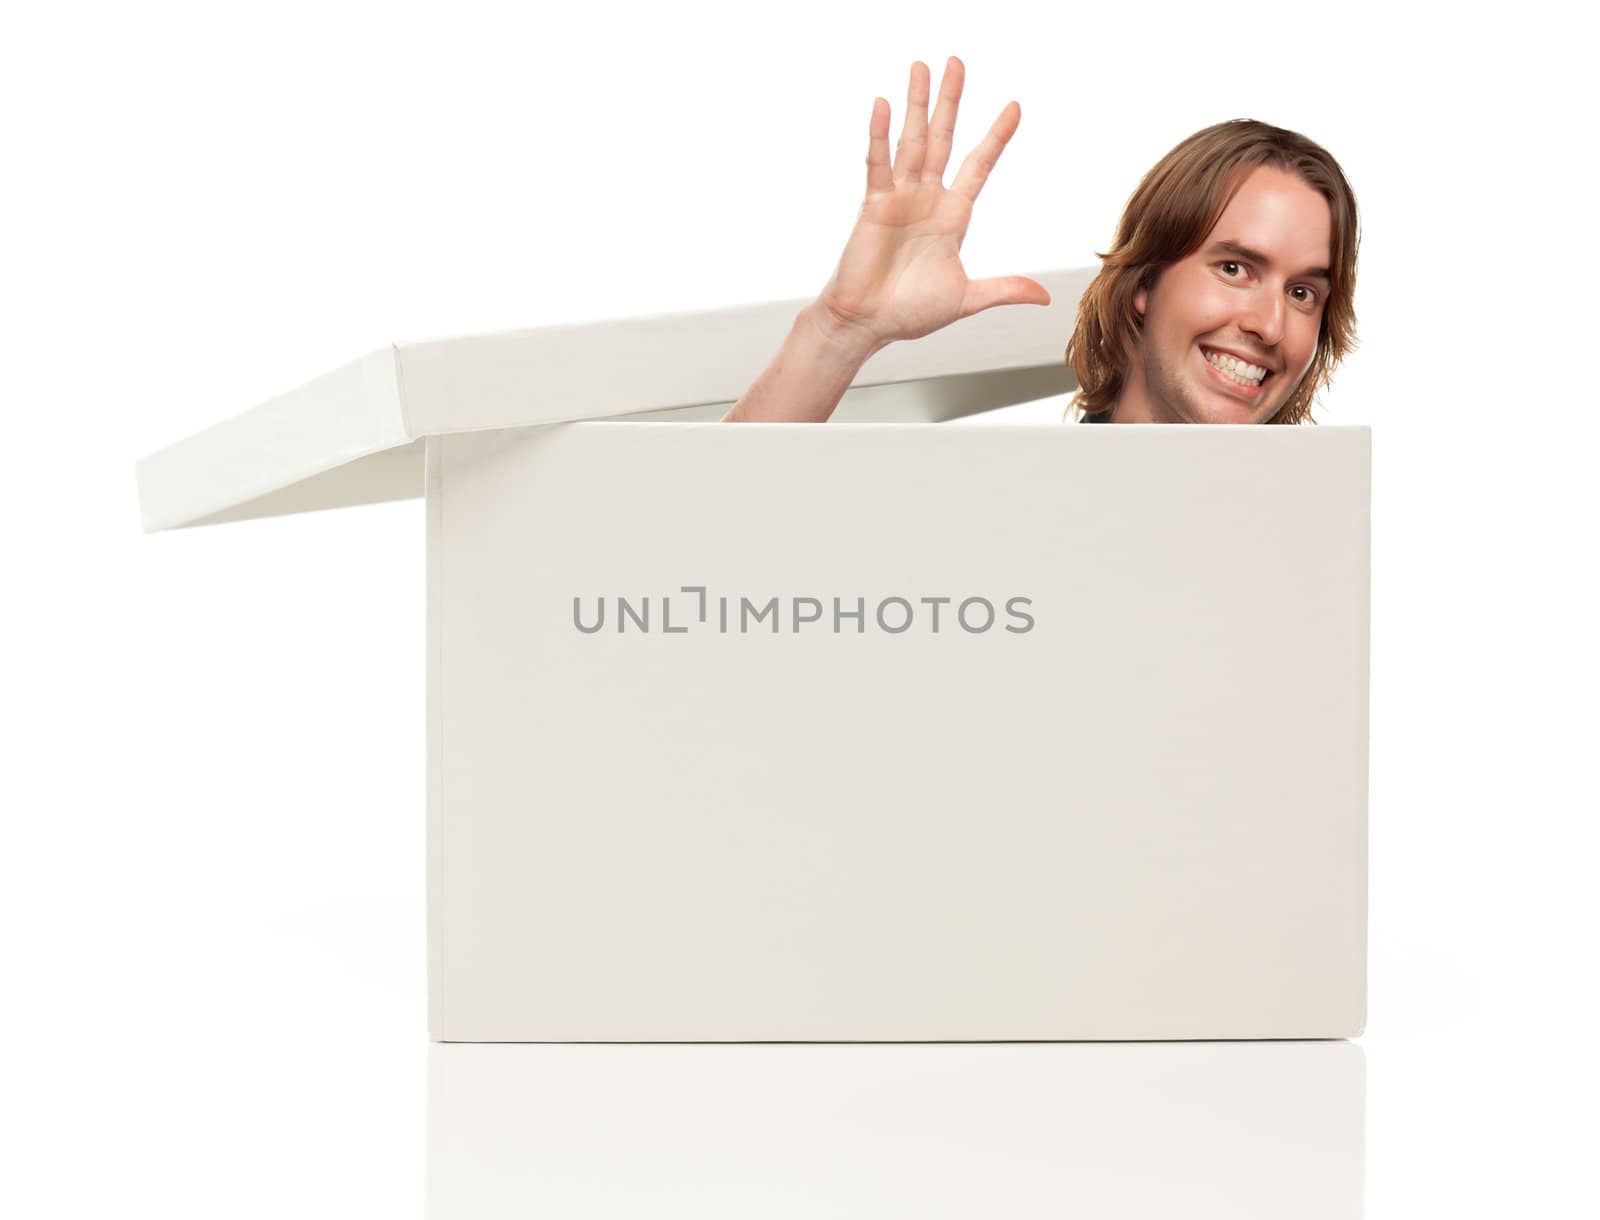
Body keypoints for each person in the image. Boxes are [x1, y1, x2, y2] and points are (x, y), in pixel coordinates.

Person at [722, 57, 1358, 426]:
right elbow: (694, 536)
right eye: (1235, 268)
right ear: (1144, 284)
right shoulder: (999, 513)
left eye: (1303, 292)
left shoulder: (1309, 547)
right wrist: (841, 329)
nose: (1272, 324)